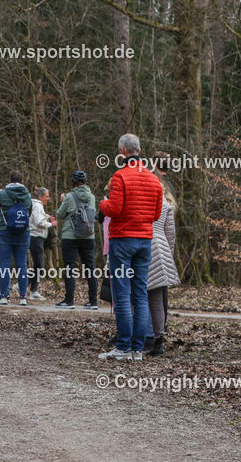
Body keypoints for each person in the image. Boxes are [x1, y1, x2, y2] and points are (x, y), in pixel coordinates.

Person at [97, 134, 163, 360]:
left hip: (123, 240)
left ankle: (123, 347)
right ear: (140, 150)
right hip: (145, 241)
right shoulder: (155, 180)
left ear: (121, 151)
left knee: (122, 294)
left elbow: (113, 209)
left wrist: (101, 203)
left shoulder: (120, 176)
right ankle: (137, 348)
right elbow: (156, 214)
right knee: (140, 294)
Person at [146, 161, 179, 356]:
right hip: (161, 249)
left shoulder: (138, 200)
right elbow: (171, 234)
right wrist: (169, 255)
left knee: (137, 297)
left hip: (142, 244)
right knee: (157, 299)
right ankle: (159, 339)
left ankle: (139, 336)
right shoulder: (165, 202)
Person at [55, 171, 98, 309]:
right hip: (89, 236)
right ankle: (93, 301)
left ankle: (69, 301)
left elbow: (59, 215)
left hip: (70, 236)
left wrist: (64, 200)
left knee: (70, 268)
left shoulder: (69, 196)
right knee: (90, 269)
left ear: (73, 182)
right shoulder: (92, 197)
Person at [0, 171, 33, 306]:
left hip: (4, 231)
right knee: (22, 265)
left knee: (4, 264)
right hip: (23, 233)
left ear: (9, 180)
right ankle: (22, 298)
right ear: (21, 180)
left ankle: (4, 296)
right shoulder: (27, 194)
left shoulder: (3, 194)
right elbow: (29, 212)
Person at [28, 187, 56, 300]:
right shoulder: (37, 205)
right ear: (40, 196)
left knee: (38, 265)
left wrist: (48, 217)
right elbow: (38, 222)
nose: (48, 198)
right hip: (36, 237)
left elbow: (39, 217)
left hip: (37, 238)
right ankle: (29, 288)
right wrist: (51, 224)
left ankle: (29, 288)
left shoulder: (37, 205)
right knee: (39, 265)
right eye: (47, 196)